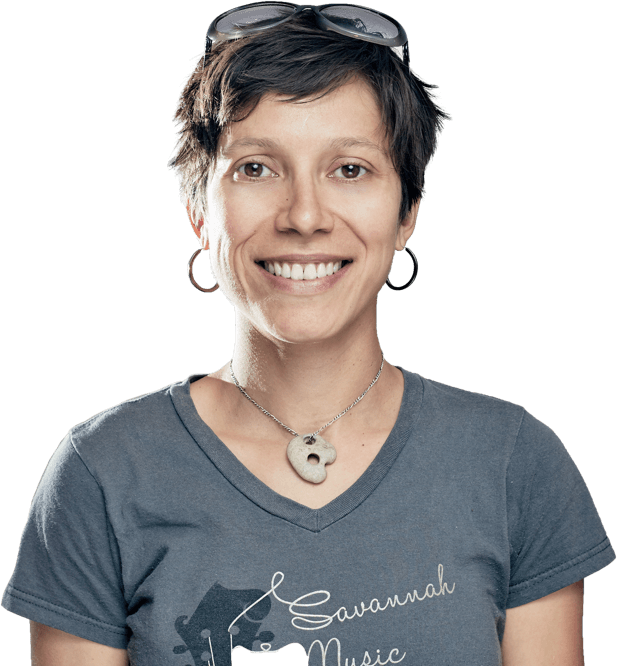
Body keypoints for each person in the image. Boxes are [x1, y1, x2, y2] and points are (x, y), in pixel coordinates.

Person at [2, 4, 614, 665]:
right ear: (198, 211)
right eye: (256, 168)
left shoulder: (514, 462)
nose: (303, 216)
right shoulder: (101, 471)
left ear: (407, 211)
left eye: (349, 169)